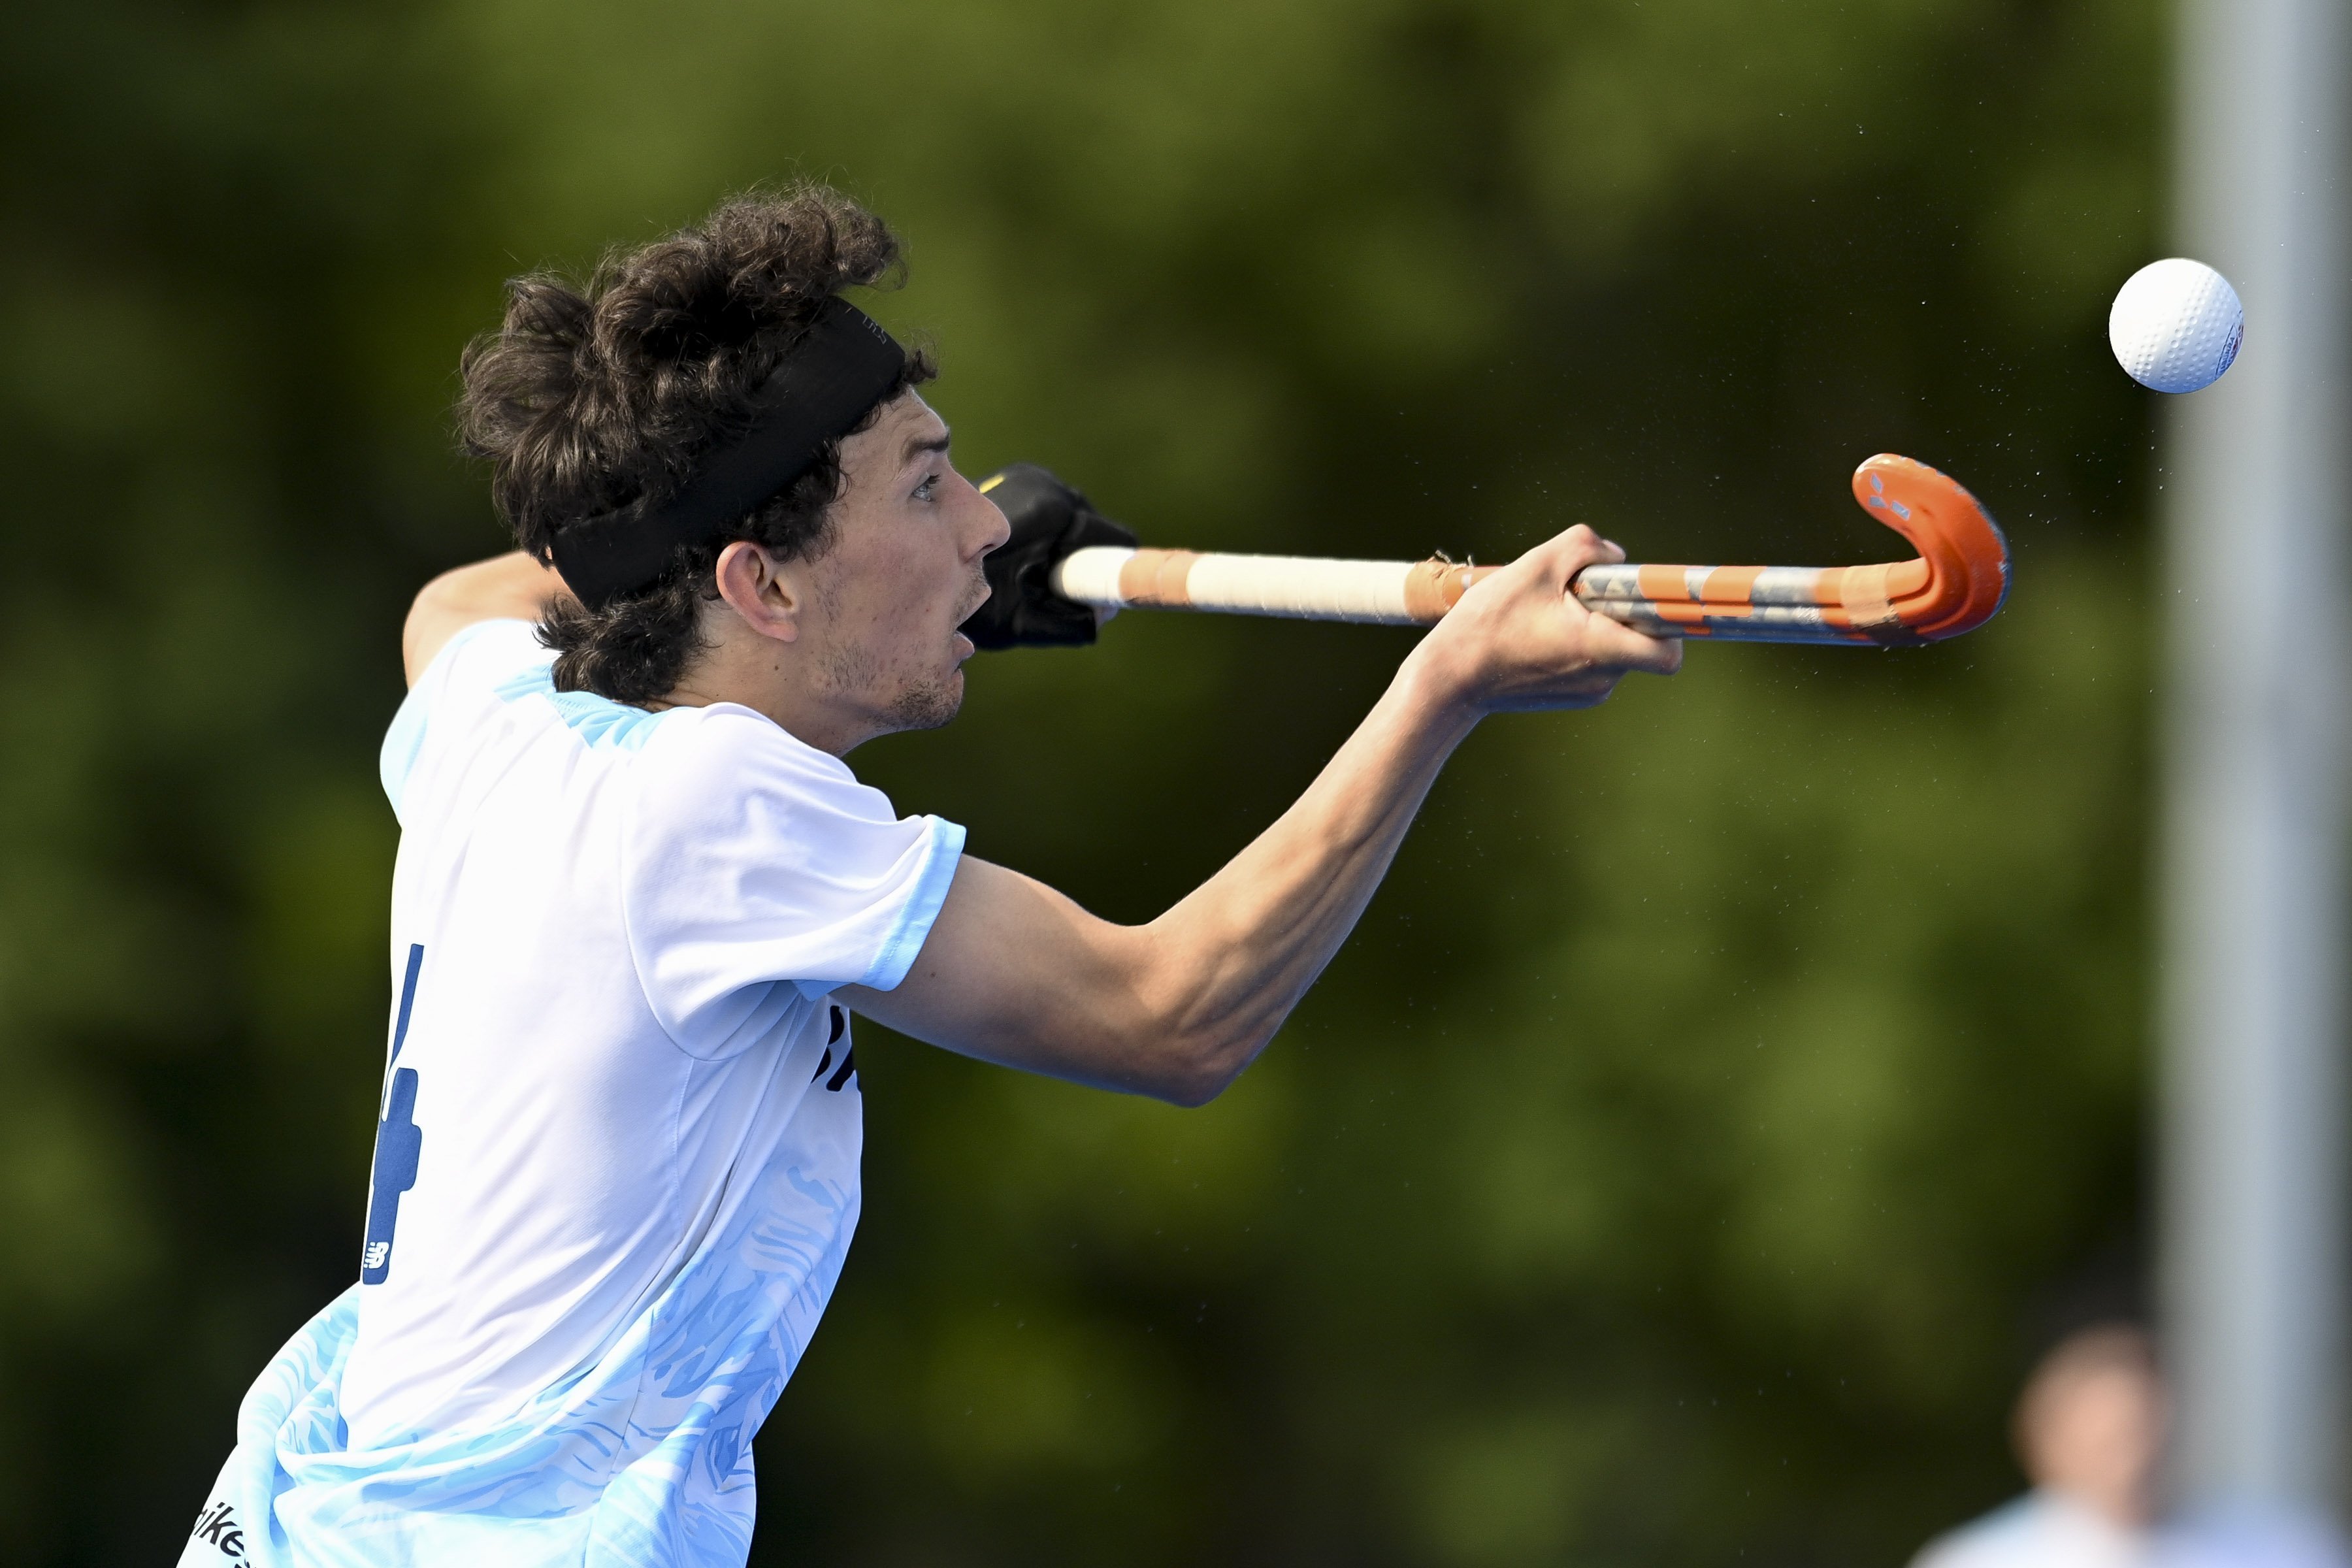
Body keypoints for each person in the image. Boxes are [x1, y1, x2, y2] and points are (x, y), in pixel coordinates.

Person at [178, 184, 1680, 1567]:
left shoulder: (504, 728)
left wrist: (892, 592)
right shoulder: (708, 798)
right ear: (757, 583)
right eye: (923, 489)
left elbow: (469, 593)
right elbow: (1171, 1015)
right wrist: (1447, 689)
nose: (982, 525)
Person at [1911, 1324, 2167, 1568]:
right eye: (2110, 1444)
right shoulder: (1977, 1560)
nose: (2135, 1462)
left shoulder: (2204, 1541)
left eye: (2142, 1434)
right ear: (2050, 1445)